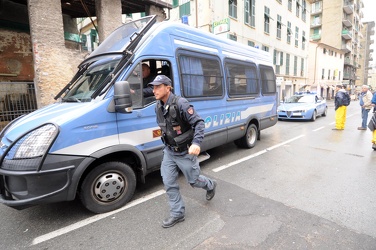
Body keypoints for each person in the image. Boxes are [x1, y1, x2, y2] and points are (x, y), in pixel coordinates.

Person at [148, 75, 217, 228]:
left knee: (194, 181)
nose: (154, 90)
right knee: (168, 182)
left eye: (158, 87)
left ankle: (210, 185)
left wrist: (196, 143)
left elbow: (199, 123)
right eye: (153, 87)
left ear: (168, 87)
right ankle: (177, 213)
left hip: (185, 152)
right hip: (169, 152)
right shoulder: (158, 106)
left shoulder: (181, 103)